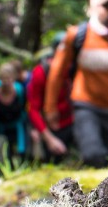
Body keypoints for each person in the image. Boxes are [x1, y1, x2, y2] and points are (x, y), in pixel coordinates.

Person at [45, 0, 108, 167]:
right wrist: (50, 108)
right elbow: (57, 72)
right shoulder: (77, 35)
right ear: (92, 9)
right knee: (93, 155)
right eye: (106, 6)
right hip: (86, 105)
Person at [26, 33, 74, 163]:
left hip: (73, 123)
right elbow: (33, 110)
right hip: (53, 128)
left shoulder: (72, 68)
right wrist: (49, 139)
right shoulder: (41, 73)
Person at [0, 61, 28, 164]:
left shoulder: (19, 91)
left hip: (17, 125)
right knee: (4, 152)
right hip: (1, 126)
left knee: (21, 151)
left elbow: (24, 108)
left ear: (13, 79)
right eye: (3, 79)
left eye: (8, 78)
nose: (6, 82)